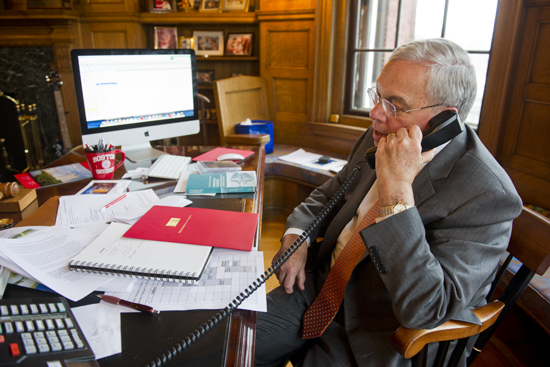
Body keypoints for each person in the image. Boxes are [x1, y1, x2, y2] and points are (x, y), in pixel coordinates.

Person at [255, 38, 523, 367]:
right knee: (219, 347)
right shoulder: (381, 134)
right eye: (377, 96)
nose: (376, 113)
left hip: (378, 333)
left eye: (394, 105)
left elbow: (426, 309)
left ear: (444, 119)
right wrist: (297, 234)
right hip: (316, 287)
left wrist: (396, 191)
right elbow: (330, 192)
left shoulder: (487, 194)